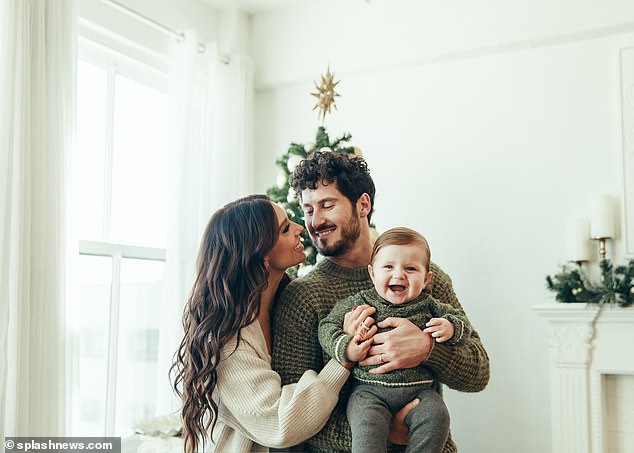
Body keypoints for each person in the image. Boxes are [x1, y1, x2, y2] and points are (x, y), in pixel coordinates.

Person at [271, 151, 490, 453]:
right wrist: (386, 434)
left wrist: (428, 350)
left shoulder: (424, 277)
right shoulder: (304, 297)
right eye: (308, 210)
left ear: (363, 204)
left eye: (327, 205)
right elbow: (293, 418)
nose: (315, 221)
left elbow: (479, 373)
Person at [170, 194, 365, 453]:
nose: (301, 228)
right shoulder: (227, 339)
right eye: (285, 229)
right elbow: (280, 423)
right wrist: (342, 360)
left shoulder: (291, 301)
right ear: (260, 256)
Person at [319, 227, 473, 453]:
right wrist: (347, 348)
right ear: (372, 274)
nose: (399, 275)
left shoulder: (430, 305)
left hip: (420, 392)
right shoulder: (359, 303)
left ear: (427, 278)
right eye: (388, 267)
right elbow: (327, 327)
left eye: (410, 269)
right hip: (369, 392)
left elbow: (462, 322)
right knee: (367, 428)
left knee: (437, 416)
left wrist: (450, 328)